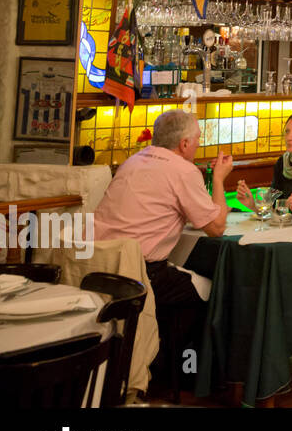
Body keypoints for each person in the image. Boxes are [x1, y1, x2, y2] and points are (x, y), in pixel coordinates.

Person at [93, 109, 229, 380]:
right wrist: (219, 178)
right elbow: (216, 227)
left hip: (99, 267)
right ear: (185, 144)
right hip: (140, 275)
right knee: (216, 288)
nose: (199, 144)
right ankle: (185, 373)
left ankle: (157, 361)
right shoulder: (183, 170)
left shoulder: (132, 161)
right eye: (198, 139)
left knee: (181, 280)